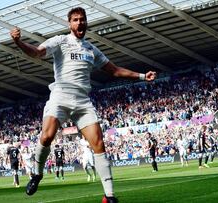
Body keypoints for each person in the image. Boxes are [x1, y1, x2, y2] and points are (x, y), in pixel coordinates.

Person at [10, 7, 156, 202]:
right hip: (60, 96)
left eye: (82, 19)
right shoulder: (61, 41)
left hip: (82, 101)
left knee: (99, 144)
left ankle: (110, 196)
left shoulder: (91, 49)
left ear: (86, 22)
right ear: (70, 23)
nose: (80, 23)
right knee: (46, 136)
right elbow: (37, 52)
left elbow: (113, 70)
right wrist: (18, 42)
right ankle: (37, 174)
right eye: (76, 20)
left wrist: (141, 76)